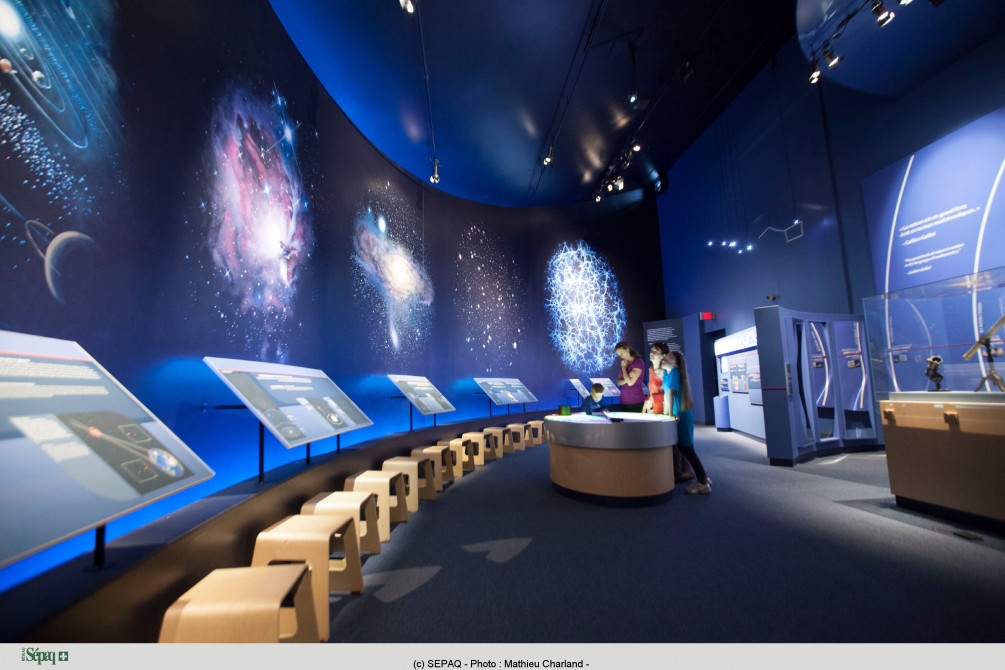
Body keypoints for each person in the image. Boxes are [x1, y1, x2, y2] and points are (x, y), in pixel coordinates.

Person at [642, 342, 695, 483]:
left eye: (655, 351)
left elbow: (669, 393)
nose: (652, 353)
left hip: (669, 410)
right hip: (660, 410)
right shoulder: (653, 370)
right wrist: (648, 404)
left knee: (679, 443)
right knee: (671, 442)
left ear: (663, 356)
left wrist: (668, 412)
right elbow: (654, 391)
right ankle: (674, 471)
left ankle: (684, 471)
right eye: (651, 350)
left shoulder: (667, 372)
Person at [664, 350, 712, 495]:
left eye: (669, 358)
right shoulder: (667, 374)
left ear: (676, 365)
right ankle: (704, 478)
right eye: (665, 357)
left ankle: (703, 482)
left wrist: (670, 414)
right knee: (685, 448)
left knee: (687, 450)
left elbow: (670, 393)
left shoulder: (674, 372)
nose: (664, 359)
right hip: (678, 415)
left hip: (681, 416)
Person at [614, 341, 646, 412]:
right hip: (623, 401)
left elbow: (630, 383)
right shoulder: (625, 363)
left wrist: (623, 368)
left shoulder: (638, 362)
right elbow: (618, 382)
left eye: (621, 353)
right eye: (619, 355)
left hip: (635, 401)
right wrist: (627, 378)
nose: (621, 356)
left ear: (627, 349)